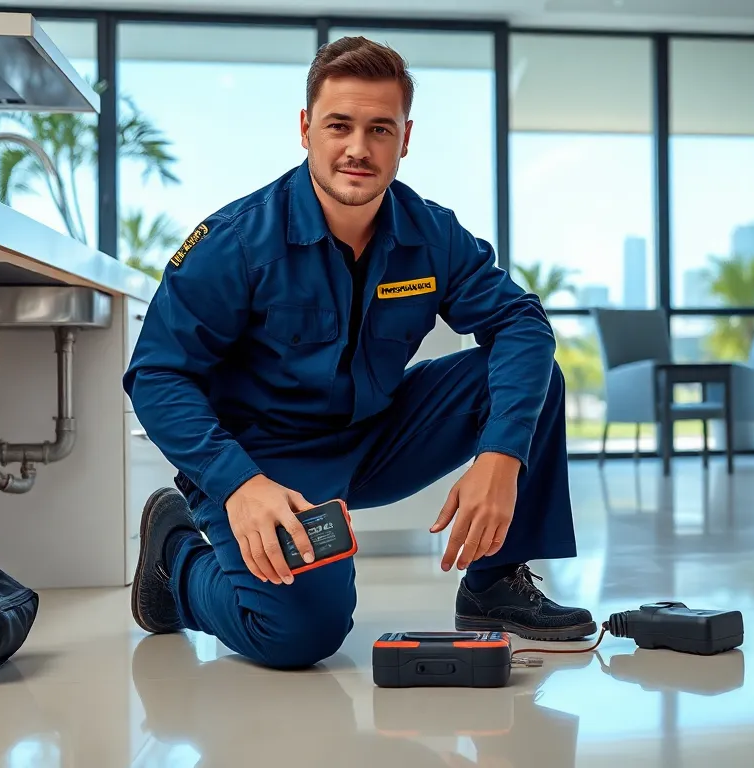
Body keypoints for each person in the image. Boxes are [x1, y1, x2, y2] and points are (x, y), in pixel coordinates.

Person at [122, 36, 594, 670]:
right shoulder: (235, 241)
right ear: (305, 128)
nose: (358, 148)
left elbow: (521, 323)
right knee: (299, 635)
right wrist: (238, 484)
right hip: (267, 466)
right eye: (339, 125)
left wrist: (502, 454)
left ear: (404, 138)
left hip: (376, 437)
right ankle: (175, 556)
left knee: (530, 371)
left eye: (380, 129)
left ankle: (494, 584)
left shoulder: (432, 234)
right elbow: (155, 373)